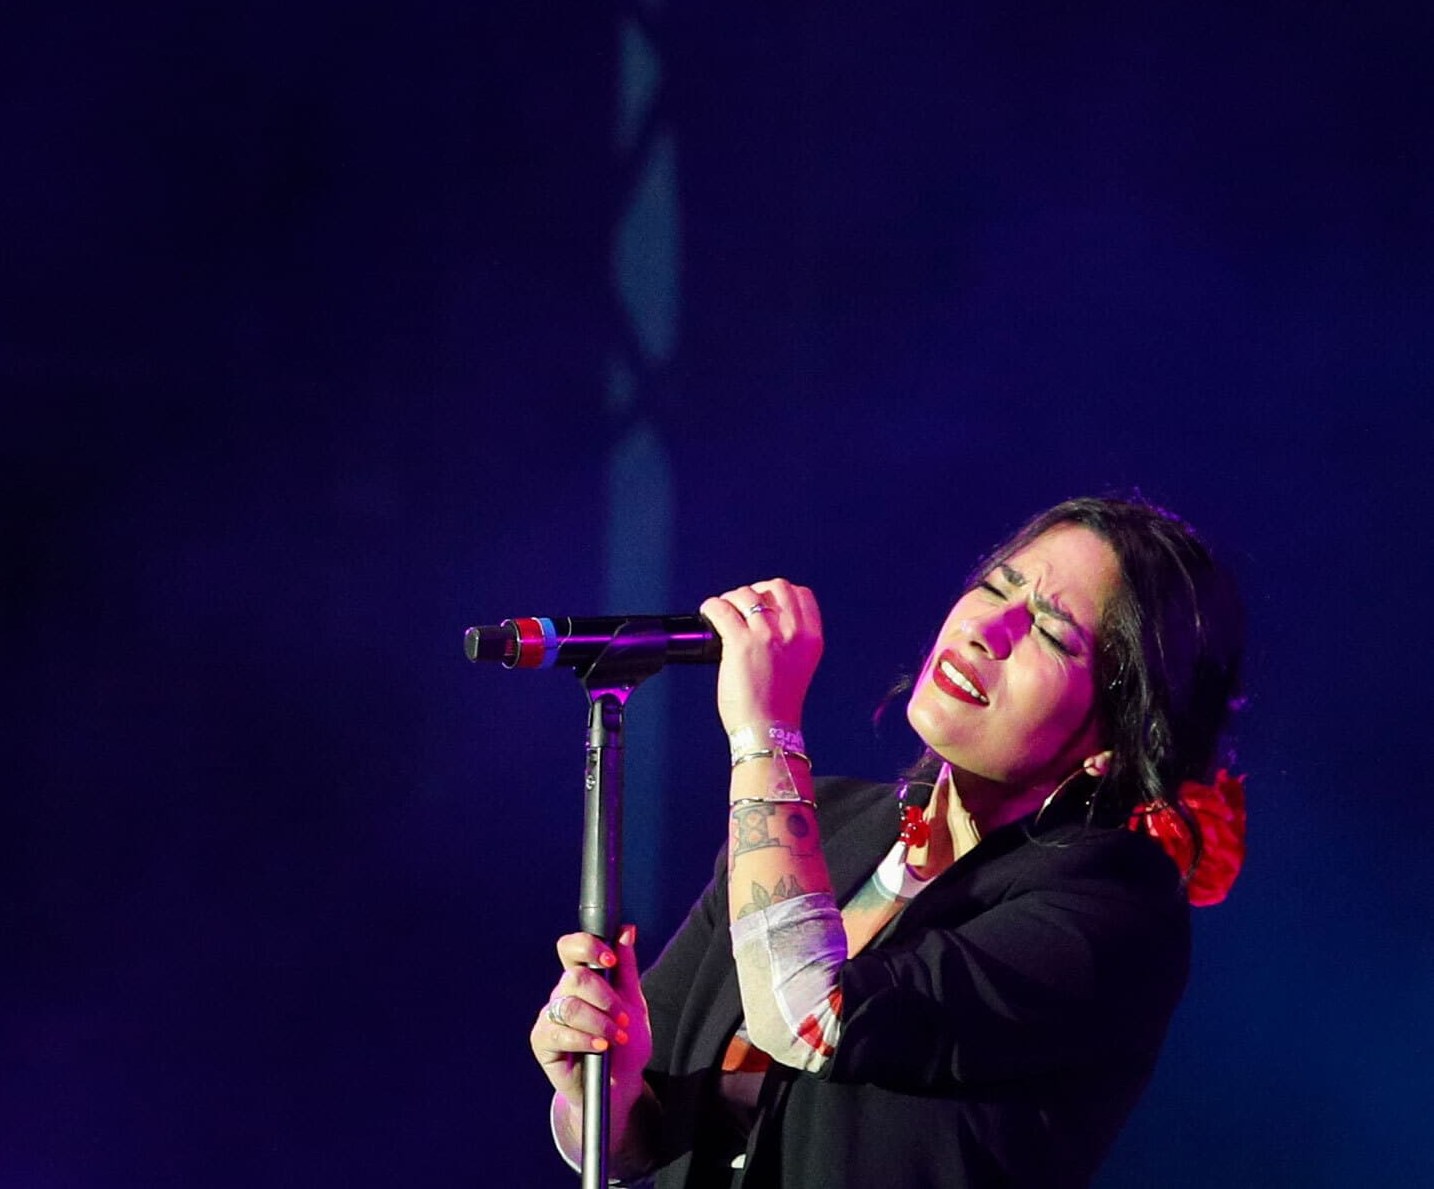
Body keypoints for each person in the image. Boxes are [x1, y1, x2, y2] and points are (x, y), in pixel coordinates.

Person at [527, 497, 1248, 1187]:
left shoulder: (1110, 908)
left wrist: (764, 731)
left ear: (1113, 743)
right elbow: (647, 1138)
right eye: (998, 587)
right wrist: (602, 1096)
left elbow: (808, 1015)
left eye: (1052, 633)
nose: (988, 629)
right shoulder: (832, 823)